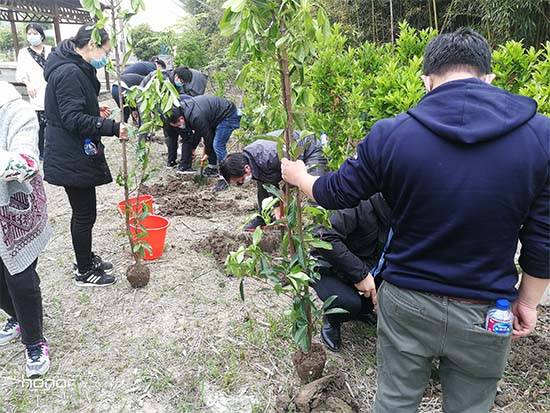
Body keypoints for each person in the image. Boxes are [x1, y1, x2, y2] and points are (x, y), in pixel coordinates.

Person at [281, 28, 550, 413]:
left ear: (427, 79)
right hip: (487, 307)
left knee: (394, 403)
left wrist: (300, 176)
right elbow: (543, 239)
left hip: (408, 301)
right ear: (489, 78)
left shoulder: (392, 134)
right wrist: (529, 301)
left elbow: (336, 193)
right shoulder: (541, 137)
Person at [43, 25, 128, 287]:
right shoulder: (69, 72)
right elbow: (71, 118)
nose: (107, 55)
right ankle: (83, 271)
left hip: (72, 151)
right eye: (107, 49)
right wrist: (113, 128)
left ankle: (85, 259)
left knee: (84, 212)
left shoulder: (72, 67)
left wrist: (93, 109)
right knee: (84, 214)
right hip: (70, 153)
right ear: (92, 45)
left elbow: (72, 108)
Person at [0, 81, 51, 378]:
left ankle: (34, 341)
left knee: (19, 277)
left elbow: (26, 159)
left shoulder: (16, 111)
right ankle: (18, 318)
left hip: (17, 209)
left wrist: (15, 161)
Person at [312, 193, 390, 352]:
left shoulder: (406, 216)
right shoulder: (361, 203)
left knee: (383, 298)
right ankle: (332, 320)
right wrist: (360, 274)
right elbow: (323, 236)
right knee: (348, 303)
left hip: (367, 271)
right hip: (329, 267)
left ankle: (362, 311)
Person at [219, 132, 326, 230]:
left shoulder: (268, 157)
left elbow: (291, 177)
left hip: (310, 150)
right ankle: (265, 218)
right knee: (262, 186)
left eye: (240, 182)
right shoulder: (250, 158)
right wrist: (276, 207)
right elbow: (267, 183)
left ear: (246, 169)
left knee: (316, 191)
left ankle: (320, 229)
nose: (240, 185)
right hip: (286, 158)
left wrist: (280, 205)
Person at [165, 95, 241, 191]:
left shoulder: (195, 116)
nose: (179, 127)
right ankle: (213, 167)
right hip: (215, 117)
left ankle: (225, 177)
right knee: (213, 142)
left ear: (181, 119)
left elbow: (207, 137)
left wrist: (207, 153)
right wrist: (193, 148)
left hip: (228, 115)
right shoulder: (186, 113)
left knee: (218, 144)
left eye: (178, 125)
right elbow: (199, 131)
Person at [15, 23, 52, 160]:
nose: (32, 36)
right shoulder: (24, 53)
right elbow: (21, 73)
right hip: (36, 91)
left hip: (51, 89)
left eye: (35, 33)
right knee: (40, 124)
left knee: (54, 121)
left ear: (41, 35)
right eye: (29, 33)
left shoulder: (51, 50)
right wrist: (28, 84)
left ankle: (55, 149)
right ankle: (41, 152)